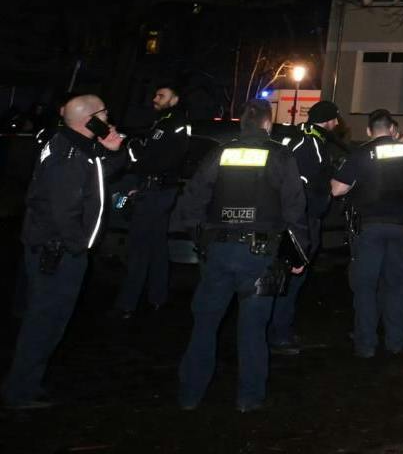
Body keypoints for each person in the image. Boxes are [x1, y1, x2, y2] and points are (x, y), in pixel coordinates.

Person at [172, 100, 306, 412]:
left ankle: (190, 395)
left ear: (241, 123)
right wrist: (297, 253)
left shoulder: (220, 153)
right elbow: (294, 209)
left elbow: (192, 198)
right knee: (253, 328)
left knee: (204, 325)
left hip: (217, 250)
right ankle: (249, 399)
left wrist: (200, 237)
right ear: (268, 124)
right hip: (260, 255)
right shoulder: (281, 156)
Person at [3, 94, 126, 409]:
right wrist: (78, 247)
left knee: (49, 321)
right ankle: (20, 390)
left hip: (56, 249)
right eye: (104, 112)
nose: (109, 117)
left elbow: (96, 179)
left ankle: (28, 383)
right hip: (57, 252)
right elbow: (64, 210)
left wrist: (112, 151)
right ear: (90, 119)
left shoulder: (76, 146)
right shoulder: (69, 153)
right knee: (44, 322)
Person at [330, 108, 403, 358]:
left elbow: (336, 190)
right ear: (393, 130)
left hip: (368, 229)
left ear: (369, 131)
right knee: (397, 286)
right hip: (401, 227)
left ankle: (366, 345)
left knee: (365, 287)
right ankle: (396, 343)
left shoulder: (361, 153)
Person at [268, 99, 347, 353]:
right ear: (327, 119)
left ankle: (277, 329)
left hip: (296, 219)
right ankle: (278, 334)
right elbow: (303, 186)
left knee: (289, 277)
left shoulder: (304, 139)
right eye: (335, 118)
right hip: (300, 222)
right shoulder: (309, 144)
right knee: (292, 277)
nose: (337, 123)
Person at [112, 82, 191, 318]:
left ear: (174, 100)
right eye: (155, 94)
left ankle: (126, 304)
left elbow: (157, 159)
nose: (155, 98)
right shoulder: (164, 122)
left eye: (161, 95)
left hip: (155, 191)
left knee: (138, 248)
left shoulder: (175, 124)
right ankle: (158, 297)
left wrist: (134, 150)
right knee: (156, 246)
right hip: (156, 190)